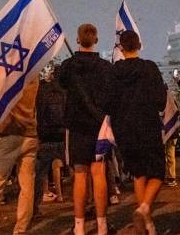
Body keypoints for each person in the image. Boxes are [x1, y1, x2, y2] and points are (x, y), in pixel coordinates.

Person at [107, 30, 167, 235]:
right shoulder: (149, 68)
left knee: (138, 173)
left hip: (123, 129)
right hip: (147, 125)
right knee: (158, 172)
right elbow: (160, 101)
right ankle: (144, 208)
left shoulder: (114, 72)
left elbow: (107, 102)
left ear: (121, 48)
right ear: (139, 45)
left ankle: (147, 225)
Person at [58, 24, 112, 235]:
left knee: (79, 175)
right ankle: (102, 225)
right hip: (99, 126)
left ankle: (79, 226)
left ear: (78, 40)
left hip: (77, 126)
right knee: (99, 174)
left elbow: (61, 83)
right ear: (96, 40)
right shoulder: (106, 67)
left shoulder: (68, 66)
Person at [0, 77, 39, 235]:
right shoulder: (34, 75)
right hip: (30, 133)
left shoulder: (8, 76)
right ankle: (21, 229)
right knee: (27, 187)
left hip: (8, 133)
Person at [34, 64, 67, 215]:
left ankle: (35, 206)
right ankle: (78, 199)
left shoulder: (43, 91)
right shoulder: (66, 91)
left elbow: (39, 112)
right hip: (62, 135)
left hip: (46, 136)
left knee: (40, 173)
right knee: (70, 168)